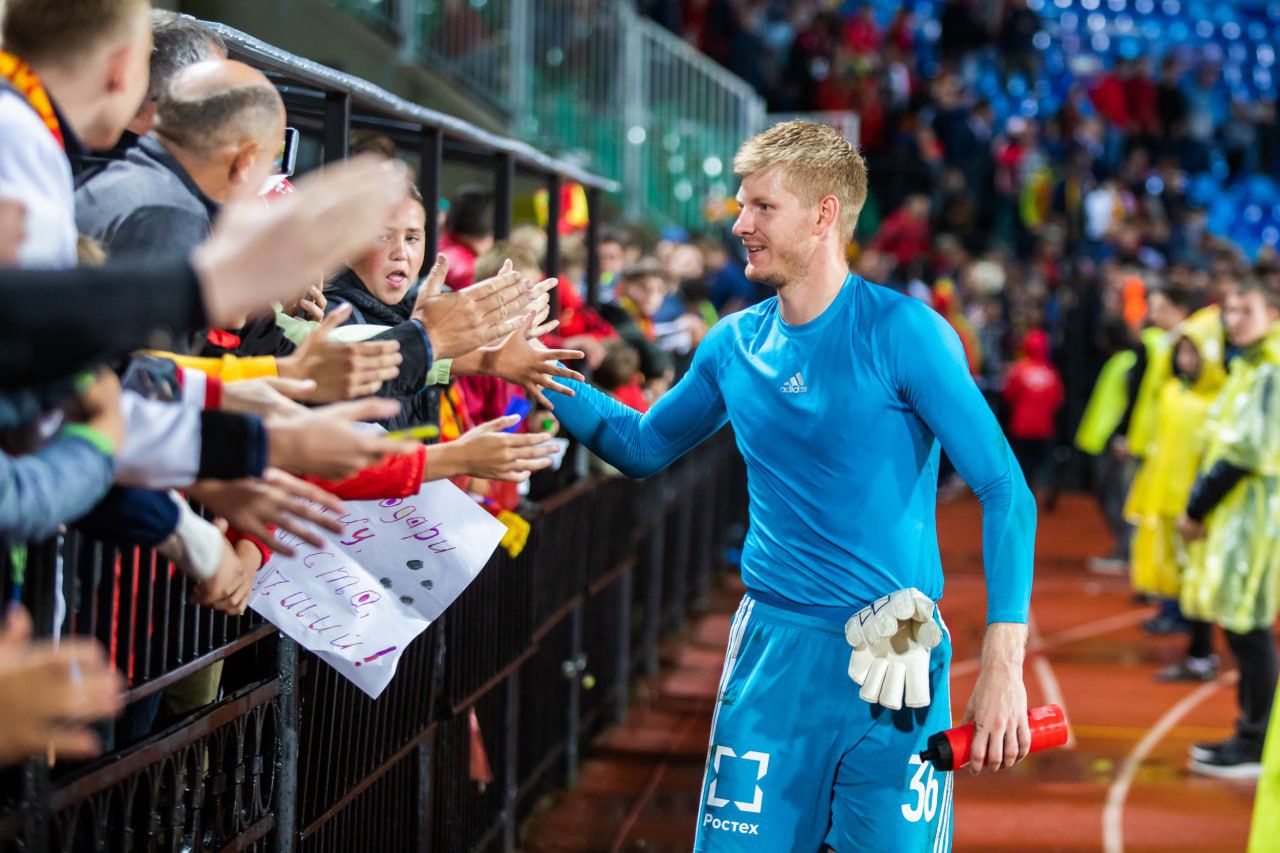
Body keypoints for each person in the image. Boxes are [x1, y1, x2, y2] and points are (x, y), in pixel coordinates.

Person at [548, 121, 1036, 850]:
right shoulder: (733, 344)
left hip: (896, 669)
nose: (740, 224)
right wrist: (537, 371)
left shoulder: (907, 333)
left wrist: (1002, 665)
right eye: (741, 206)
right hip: (775, 657)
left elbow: (1005, 490)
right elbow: (643, 445)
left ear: (824, 213)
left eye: (761, 207)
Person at [1179, 278, 1280, 778]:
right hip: (1241, 512)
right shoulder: (1248, 366)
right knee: (1243, 624)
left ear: (1273, 314)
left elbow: (1244, 452)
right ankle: (1252, 733)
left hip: (1255, 514)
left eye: (1247, 310)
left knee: (1249, 627)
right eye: (1230, 311)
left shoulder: (1270, 370)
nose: (1233, 319)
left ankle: (1256, 740)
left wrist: (1196, 508)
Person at [1122, 307, 1226, 682]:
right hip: (1167, 503)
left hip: (1198, 511)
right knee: (1179, 581)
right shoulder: (1170, 393)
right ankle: (1197, 650)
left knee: (1199, 585)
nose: (1184, 360)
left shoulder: (1218, 402)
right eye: (1181, 352)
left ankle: (1203, 654)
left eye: (1193, 352)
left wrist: (1201, 508)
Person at [1002, 329, 1064, 504]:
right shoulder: (1052, 373)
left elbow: (1008, 395)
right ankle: (1047, 488)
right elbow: (1057, 400)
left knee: (1022, 463)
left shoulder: (1018, 370)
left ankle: (1024, 495)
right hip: (1044, 427)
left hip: (1021, 426)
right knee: (1044, 462)